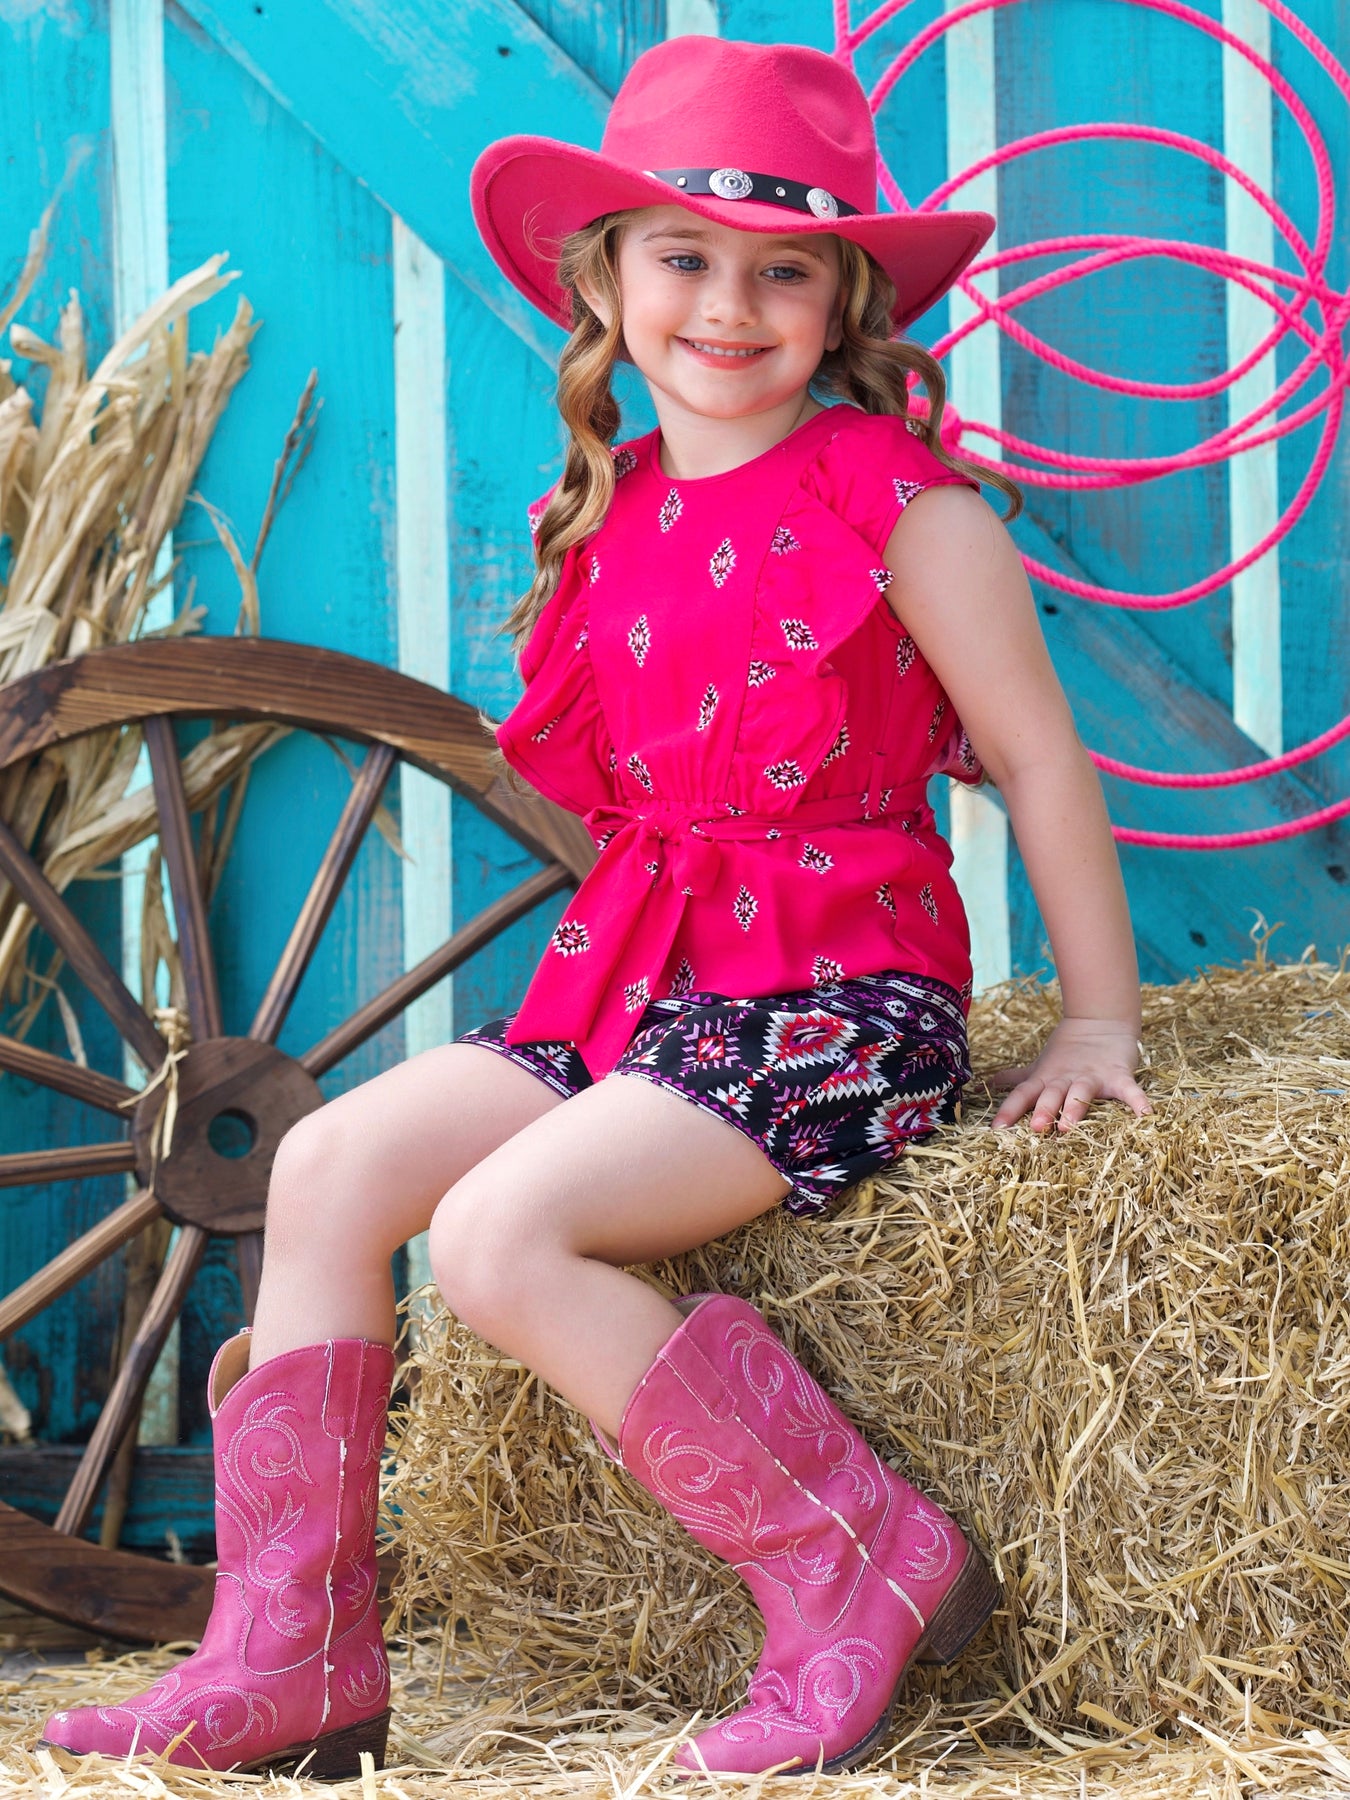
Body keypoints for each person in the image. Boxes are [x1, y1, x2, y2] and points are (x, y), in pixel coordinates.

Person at [41, 35, 1151, 1782]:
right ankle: (293, 1654)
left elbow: (1038, 759)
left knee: (496, 1239)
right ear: (606, 281)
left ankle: (854, 1558)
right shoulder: (608, 512)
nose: (729, 306)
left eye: (784, 271)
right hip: (640, 988)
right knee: (326, 1164)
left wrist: (1094, 1020)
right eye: (684, 257)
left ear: (845, 300)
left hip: (834, 999)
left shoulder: (896, 501)